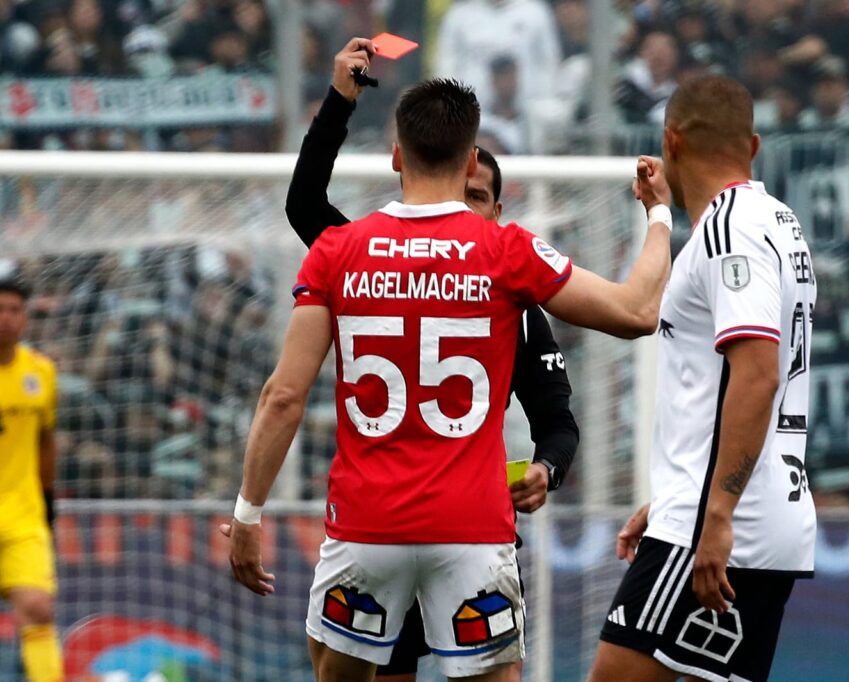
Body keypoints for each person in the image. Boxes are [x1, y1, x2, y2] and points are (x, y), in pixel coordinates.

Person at [222, 39, 673, 682]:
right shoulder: (507, 251)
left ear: (396, 156)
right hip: (471, 532)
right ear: (469, 164)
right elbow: (635, 314)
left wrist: (247, 513)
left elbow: (283, 397)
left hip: (365, 528)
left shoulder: (337, 250)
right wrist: (658, 215)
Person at [284, 40, 581, 682]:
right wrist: (339, 102)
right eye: (463, 190)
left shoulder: (519, 303)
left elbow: (559, 423)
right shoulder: (368, 258)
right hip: (400, 527)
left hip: (458, 525)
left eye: (478, 200)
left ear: (498, 213)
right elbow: (305, 206)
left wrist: (548, 470)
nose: (464, 207)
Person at [590, 74, 817, 682]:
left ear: (671, 141)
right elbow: (719, 383)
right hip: (756, 515)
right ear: (755, 146)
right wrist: (673, 495)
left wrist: (712, 513)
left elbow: (758, 375)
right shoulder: (778, 222)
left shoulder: (726, 232)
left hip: (716, 527)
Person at [0, 278, 63, 682]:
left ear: (25, 317)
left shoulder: (41, 373)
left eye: (14, 310)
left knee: (38, 608)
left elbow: (46, 442)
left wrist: (48, 497)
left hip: (23, 515)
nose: (5, 319)